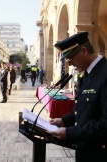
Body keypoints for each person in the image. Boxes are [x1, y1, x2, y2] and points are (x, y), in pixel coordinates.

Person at [47, 32, 107, 162]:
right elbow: (82, 110)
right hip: (85, 151)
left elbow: (105, 123)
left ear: (83, 51)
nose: (69, 64)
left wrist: (69, 133)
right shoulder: (87, 74)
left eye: (69, 58)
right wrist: (63, 121)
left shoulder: (104, 74)